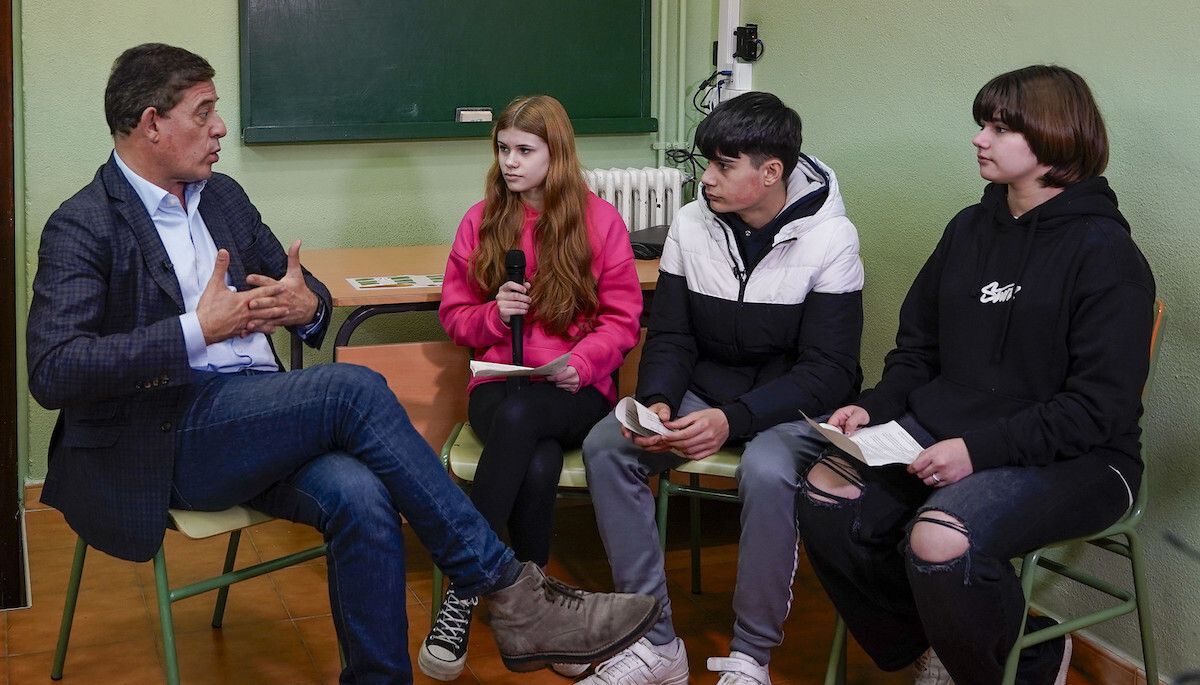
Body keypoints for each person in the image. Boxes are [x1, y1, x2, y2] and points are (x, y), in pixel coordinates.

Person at [26, 43, 661, 685]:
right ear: (152, 123)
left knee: (363, 495)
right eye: (204, 112)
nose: (220, 128)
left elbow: (309, 300)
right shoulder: (83, 225)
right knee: (351, 392)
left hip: (253, 421)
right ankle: (509, 591)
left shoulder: (221, 199)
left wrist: (305, 307)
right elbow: (53, 370)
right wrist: (197, 329)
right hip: (163, 438)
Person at [795, 65, 1155, 685]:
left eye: (999, 127)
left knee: (938, 541)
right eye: (981, 124)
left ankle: (1011, 662)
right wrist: (875, 408)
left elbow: (1101, 409)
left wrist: (979, 451)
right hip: (950, 437)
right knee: (826, 494)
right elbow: (917, 352)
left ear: (1055, 136)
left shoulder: (1106, 254)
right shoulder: (967, 229)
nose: (979, 139)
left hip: (1083, 459)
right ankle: (955, 647)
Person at [580, 92, 865, 685]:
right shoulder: (691, 222)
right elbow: (674, 335)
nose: (706, 178)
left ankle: (750, 657)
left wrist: (732, 420)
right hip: (705, 394)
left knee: (765, 469)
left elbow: (829, 371)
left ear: (770, 173)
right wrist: (657, 400)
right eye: (705, 162)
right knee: (609, 446)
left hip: (791, 406)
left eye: (722, 165)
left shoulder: (831, 239)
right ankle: (653, 643)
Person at [420, 94, 644, 681]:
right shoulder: (482, 219)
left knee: (529, 426)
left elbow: (622, 320)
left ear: (557, 153)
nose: (510, 162)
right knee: (535, 458)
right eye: (503, 149)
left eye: (525, 150)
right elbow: (454, 317)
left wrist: (584, 359)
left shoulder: (600, 222)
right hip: (497, 383)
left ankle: (464, 588)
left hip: (575, 386)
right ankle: (539, 615)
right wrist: (494, 315)